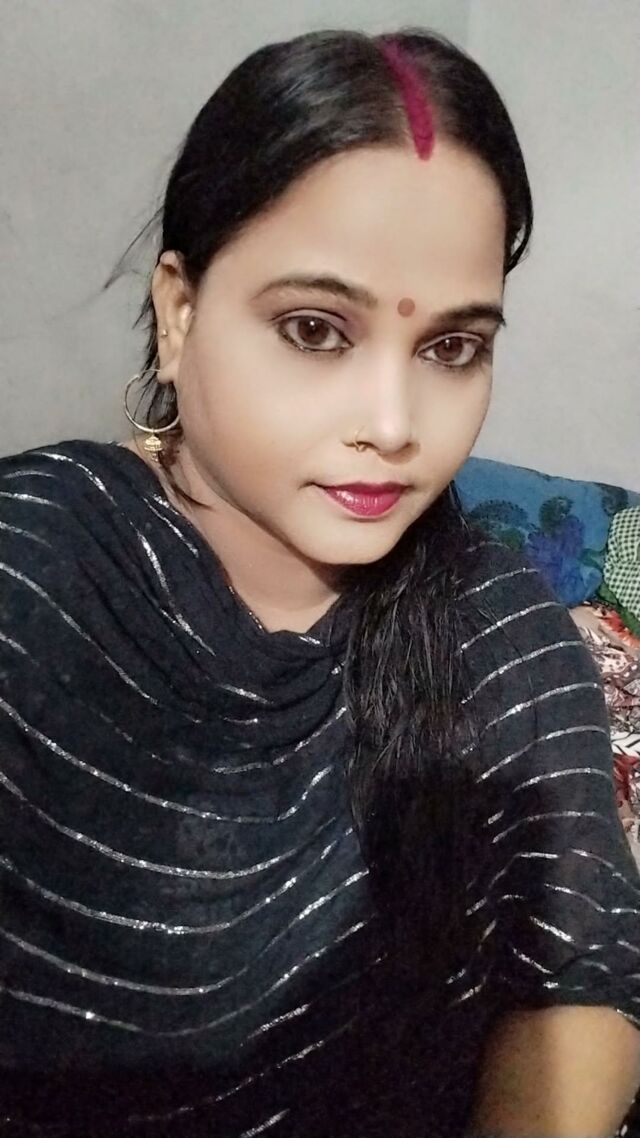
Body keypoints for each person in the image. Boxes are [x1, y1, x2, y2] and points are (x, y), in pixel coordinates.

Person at [0, 26, 639, 1138]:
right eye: (314, 329)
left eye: (452, 349)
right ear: (179, 310)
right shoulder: (37, 566)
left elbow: (578, 981)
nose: (393, 425)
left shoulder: (504, 635)